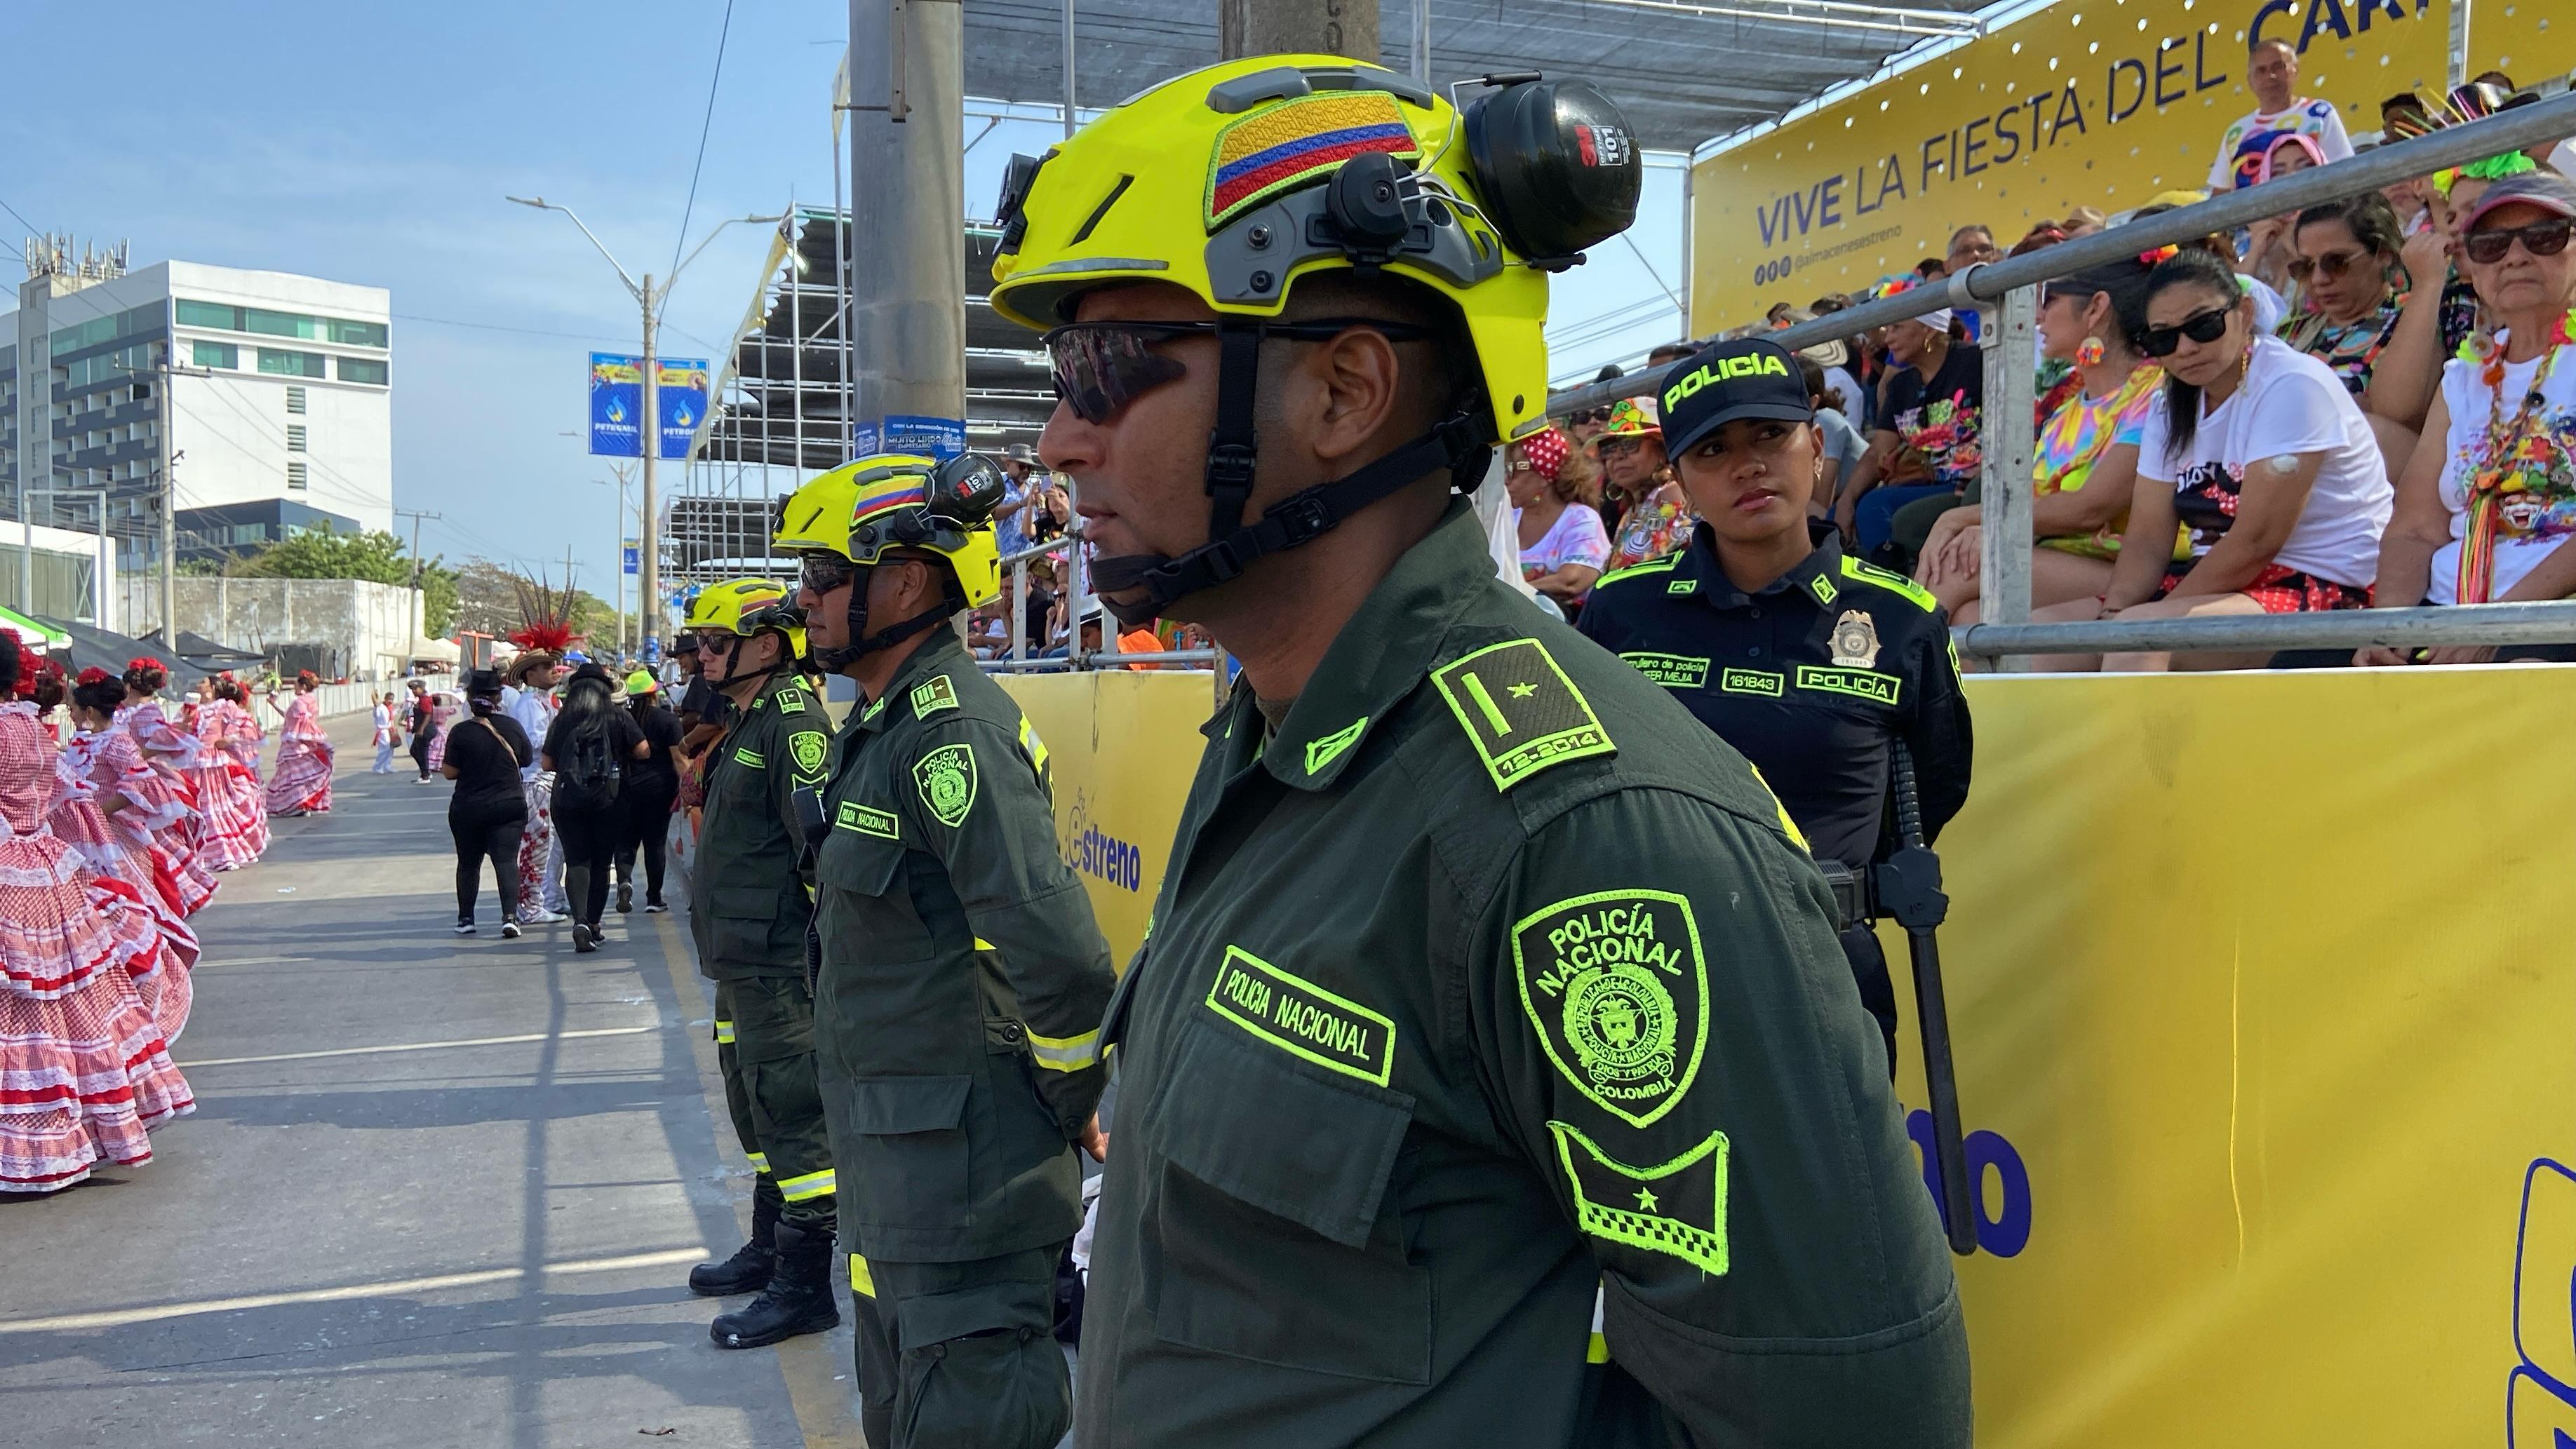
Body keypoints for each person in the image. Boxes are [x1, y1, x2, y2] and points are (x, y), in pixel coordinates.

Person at [991, 54, 1967, 1446]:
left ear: (1345, 391)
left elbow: (1845, 1418)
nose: (1060, 438)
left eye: (1103, 369)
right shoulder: (1277, 732)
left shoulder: (1586, 829)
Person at [777, 452, 1114, 1449]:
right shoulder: (879, 726)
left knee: (967, 1412)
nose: (807, 600)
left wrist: (1074, 1100)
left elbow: (1056, 954)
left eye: (824, 576)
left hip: (968, 1175)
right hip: (896, 1165)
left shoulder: (949, 733)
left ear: (908, 580)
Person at [1577, 337, 1973, 1069]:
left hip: (1825, 968)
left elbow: (1931, 788)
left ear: (1816, 446)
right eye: (1713, 449)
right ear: (1683, 482)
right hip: (1650, 977)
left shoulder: (1904, 618)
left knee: (1841, 1182)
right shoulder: (1621, 608)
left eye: (1769, 435)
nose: (1748, 464)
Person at [2037, 247, 2394, 670]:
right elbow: (2149, 535)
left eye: (2203, 325)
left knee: (2138, 644)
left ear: (2243, 313)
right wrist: (2114, 614)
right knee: (2040, 638)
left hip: (2326, 589)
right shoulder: (2170, 402)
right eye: (2164, 338)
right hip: (2218, 585)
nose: (2185, 348)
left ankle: (2148, 740)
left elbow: (2256, 542)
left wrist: (2139, 621)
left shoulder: (2292, 385)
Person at [674, 578, 843, 1352]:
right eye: (698, 643)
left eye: (714, 641)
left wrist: (816, 960)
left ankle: (805, 1287)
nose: (700, 654)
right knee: (755, 1110)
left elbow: (820, 852)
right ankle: (769, 1247)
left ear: (768, 644)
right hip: (738, 961)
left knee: (795, 1116)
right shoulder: (744, 722)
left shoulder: (793, 726)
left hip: (777, 965)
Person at [0, 640, 195, 1194]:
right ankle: (81, 1127)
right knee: (70, 999)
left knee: (23, 1004)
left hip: (13, 872)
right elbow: (65, 801)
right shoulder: (32, 730)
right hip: (47, 868)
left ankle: (35, 1141)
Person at [2359, 173, 2576, 663]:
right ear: (2473, 267)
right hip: (2445, 615)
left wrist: (2502, 622)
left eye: (2544, 237)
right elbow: (2416, 527)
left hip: (2552, 620)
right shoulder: (2464, 375)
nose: (2515, 256)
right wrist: (2390, 625)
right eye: (2491, 245)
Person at [1919, 254, 2167, 622]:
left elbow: (2090, 508)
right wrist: (1980, 526)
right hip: (2056, 562)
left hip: (2127, 570)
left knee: (1960, 566)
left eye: (2049, 301)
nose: (2037, 316)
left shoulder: (2154, 393)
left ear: (2096, 307)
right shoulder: (2065, 412)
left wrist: (1963, 521)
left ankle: (1885, 669)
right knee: (1969, 616)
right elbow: (2038, 503)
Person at [1838, 304, 1984, 564]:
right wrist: (1846, 500)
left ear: (1928, 330)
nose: (1887, 337)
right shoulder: (1902, 384)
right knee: (1834, 516)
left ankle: (1893, 588)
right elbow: (1878, 451)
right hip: (1920, 483)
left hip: (1968, 485)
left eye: (1897, 328)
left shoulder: (1977, 362)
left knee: (1874, 506)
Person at [539, 663, 650, 953]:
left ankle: (579, 922)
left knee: (576, 860)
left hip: (567, 800)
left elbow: (547, 764)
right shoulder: (618, 716)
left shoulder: (564, 719)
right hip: (610, 799)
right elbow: (643, 751)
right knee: (601, 862)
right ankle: (596, 924)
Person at [441, 669, 532, 938]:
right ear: (498, 698)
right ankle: (510, 917)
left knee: (468, 863)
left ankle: (466, 918)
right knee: (506, 862)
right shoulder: (513, 727)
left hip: (468, 807)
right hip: (509, 805)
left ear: (469, 699)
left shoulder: (460, 732)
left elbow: (449, 772)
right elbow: (526, 760)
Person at [2209, 37, 2354, 192]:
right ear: (2250, 81)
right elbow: (2220, 195)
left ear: (2295, 70)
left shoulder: (2320, 114)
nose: (2270, 76)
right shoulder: (2236, 132)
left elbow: (2345, 173)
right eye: (2261, 70)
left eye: (2278, 67)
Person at [1508, 426, 1610, 616]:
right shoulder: (1509, 520)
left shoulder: (1581, 520)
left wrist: (1508, 594)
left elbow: (1571, 582)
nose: (1507, 479)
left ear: (1545, 474)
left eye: (1516, 469)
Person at [1591, 398, 1697, 570]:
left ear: (1662, 450)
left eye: (1630, 444)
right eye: (1609, 448)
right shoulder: (1632, 510)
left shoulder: (1672, 495)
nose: (1617, 456)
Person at [501, 650, 567, 924]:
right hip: (536, 780)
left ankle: (548, 899)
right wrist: (560, 734)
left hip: (549, 779)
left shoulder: (544, 702)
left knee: (553, 846)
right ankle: (530, 906)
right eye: (547, 667)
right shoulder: (529, 703)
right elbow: (531, 741)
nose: (555, 671)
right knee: (537, 847)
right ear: (531, 675)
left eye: (555, 666)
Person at [186, 675, 269, 870]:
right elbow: (179, 731)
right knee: (198, 808)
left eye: (203, 682)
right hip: (193, 765)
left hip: (215, 765)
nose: (198, 685)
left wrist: (230, 739)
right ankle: (204, 853)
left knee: (216, 808)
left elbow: (248, 724)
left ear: (212, 688)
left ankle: (224, 852)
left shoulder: (224, 707)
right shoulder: (191, 708)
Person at [264, 670, 333, 816]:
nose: (294, 688)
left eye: (296, 685)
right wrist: (274, 706)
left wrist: (301, 733)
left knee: (293, 775)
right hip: (304, 742)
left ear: (303, 686)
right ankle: (303, 804)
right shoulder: (311, 700)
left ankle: (296, 804)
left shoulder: (299, 702)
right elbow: (291, 718)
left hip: (295, 743)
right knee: (303, 775)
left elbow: (300, 720)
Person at [370, 692, 400, 773]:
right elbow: (376, 714)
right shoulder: (380, 708)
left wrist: (400, 707)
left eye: (392, 699)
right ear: (385, 699)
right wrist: (375, 705)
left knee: (391, 749)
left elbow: (392, 715)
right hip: (383, 731)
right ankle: (377, 767)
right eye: (389, 699)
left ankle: (387, 766)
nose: (390, 701)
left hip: (390, 730)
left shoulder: (390, 708)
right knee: (384, 749)